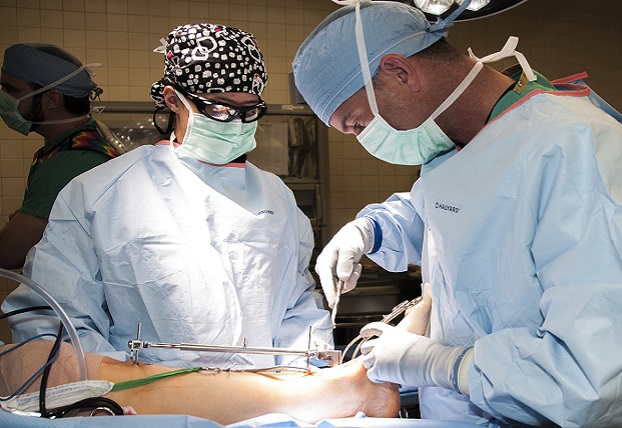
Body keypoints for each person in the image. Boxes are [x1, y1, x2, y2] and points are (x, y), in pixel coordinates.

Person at [292, 2, 622, 426]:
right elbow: (452, 217)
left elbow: (597, 382)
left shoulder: (574, 148)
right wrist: (372, 229)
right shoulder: (459, 146)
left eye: (358, 123)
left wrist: (441, 364)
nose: (365, 139)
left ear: (401, 73)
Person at [2, 23, 332, 370]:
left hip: (268, 402)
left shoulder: (275, 195)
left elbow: (297, 305)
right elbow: (55, 320)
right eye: (219, 109)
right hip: (146, 406)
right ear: (174, 99)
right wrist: (129, 389)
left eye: (249, 110)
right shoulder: (100, 192)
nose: (235, 123)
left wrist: (305, 374)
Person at [0, 340, 400, 424]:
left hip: (279, 368)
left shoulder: (273, 194)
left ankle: (324, 390)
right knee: (39, 366)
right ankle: (332, 393)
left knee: (37, 360)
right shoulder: (96, 192)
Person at [0, 43, 120, 269]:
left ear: (52, 99)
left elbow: (7, 253)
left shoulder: (71, 161)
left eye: (10, 90)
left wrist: (22, 228)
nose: (3, 98)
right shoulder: (86, 140)